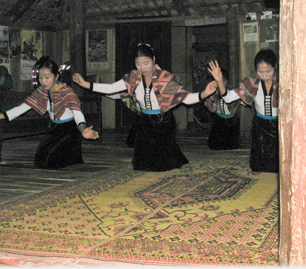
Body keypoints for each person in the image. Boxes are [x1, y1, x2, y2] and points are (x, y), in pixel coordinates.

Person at [72, 43, 217, 172]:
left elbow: (187, 99)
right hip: (145, 123)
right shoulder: (133, 77)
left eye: (146, 63)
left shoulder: (164, 78)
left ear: (154, 60)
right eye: (138, 64)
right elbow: (111, 88)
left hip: (164, 122)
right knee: (141, 164)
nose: (142, 68)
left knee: (162, 165)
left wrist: (204, 93)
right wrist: (86, 84)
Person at [0, 56, 99, 169]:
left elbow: (77, 114)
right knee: (40, 161)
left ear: (56, 76)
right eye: (41, 78)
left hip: (69, 130)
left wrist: (83, 130)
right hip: (54, 128)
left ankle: (72, 153)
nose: (43, 81)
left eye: (47, 77)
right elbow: (21, 109)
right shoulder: (41, 92)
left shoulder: (67, 92)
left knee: (49, 162)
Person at [208, 49, 279, 173]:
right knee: (259, 165)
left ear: (276, 67)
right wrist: (219, 81)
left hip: (280, 126)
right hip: (260, 126)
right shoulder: (251, 82)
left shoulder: (284, 81)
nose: (264, 76)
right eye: (260, 71)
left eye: (268, 71)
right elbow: (228, 98)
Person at [203, 68, 241, 150]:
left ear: (226, 81)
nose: (219, 84)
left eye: (222, 81)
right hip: (219, 120)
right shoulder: (213, 93)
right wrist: (212, 108)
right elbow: (206, 103)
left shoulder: (231, 92)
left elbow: (238, 102)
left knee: (232, 145)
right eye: (217, 81)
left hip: (231, 120)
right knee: (214, 145)